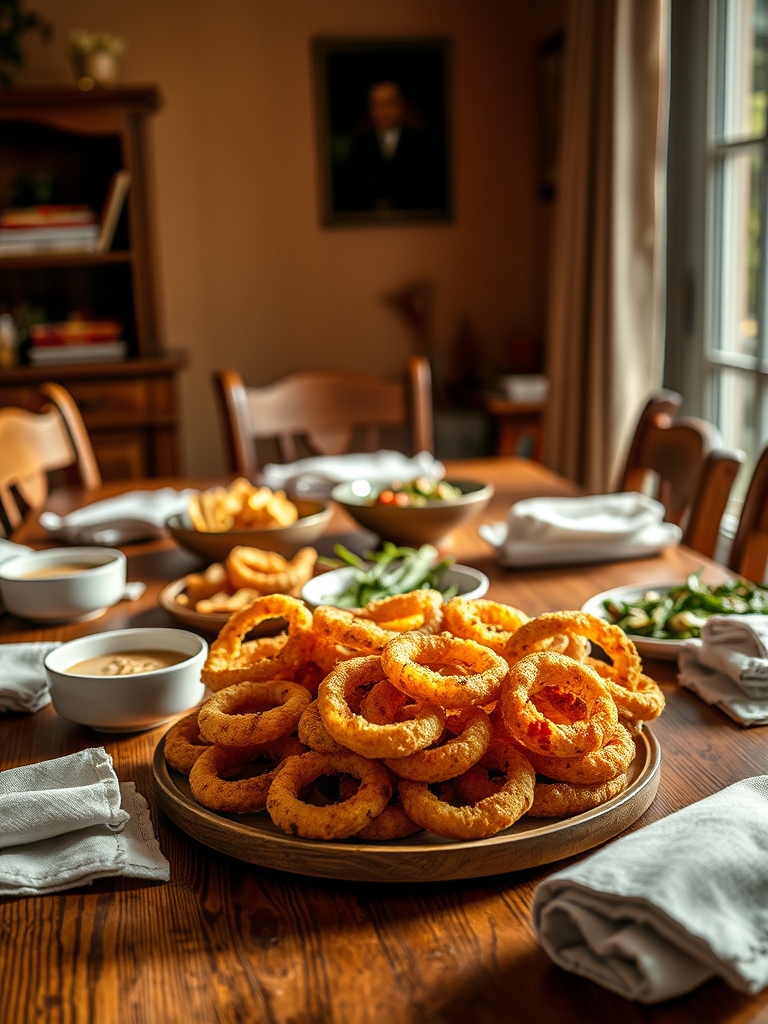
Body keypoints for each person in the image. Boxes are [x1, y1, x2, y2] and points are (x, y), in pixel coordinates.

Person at [334, 80, 439, 213]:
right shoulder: (360, 144)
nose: (384, 110)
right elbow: (350, 186)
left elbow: (428, 187)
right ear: (371, 108)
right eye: (378, 104)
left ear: (402, 105)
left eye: (390, 103)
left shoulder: (420, 143)